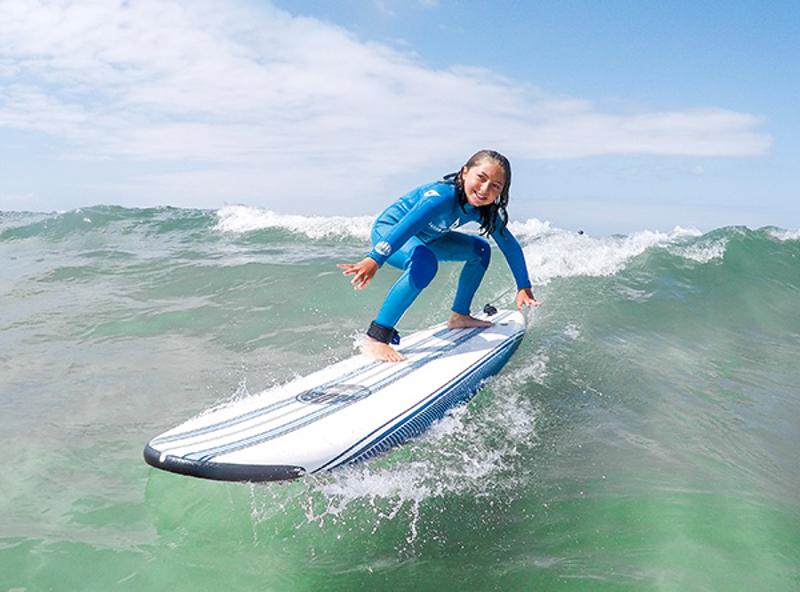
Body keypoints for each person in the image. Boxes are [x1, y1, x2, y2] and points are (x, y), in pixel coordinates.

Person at [337, 149, 540, 362]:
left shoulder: (482, 210)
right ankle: (377, 337)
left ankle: (460, 315)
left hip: (428, 237)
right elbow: (408, 225)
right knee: (425, 263)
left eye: (495, 186)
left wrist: (523, 286)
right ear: (464, 173)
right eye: (481, 178)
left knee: (480, 251)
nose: (484, 189)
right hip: (390, 231)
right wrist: (375, 259)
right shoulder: (441, 197)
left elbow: (510, 246)